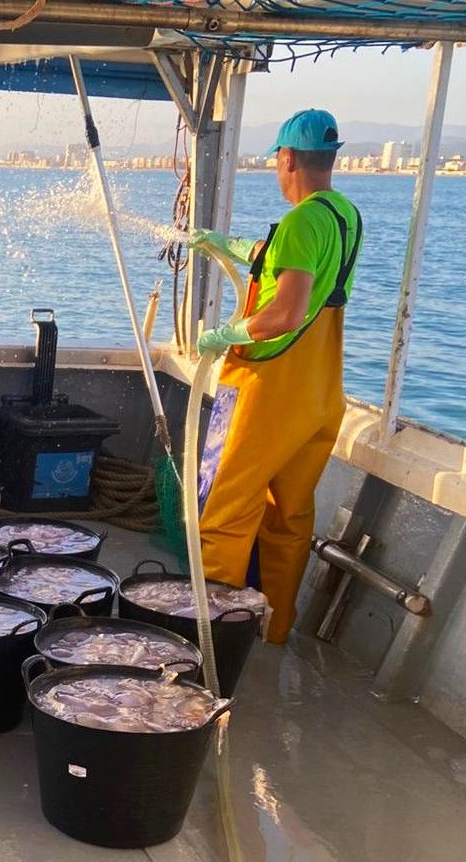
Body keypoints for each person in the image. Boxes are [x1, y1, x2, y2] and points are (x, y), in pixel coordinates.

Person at [190, 109, 362, 644]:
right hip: (319, 391)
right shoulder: (343, 214)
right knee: (288, 517)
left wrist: (225, 334)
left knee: (223, 510)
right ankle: (273, 630)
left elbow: (284, 314)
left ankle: (205, 641)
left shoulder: (300, 220)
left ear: (287, 158)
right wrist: (234, 247)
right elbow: (301, 272)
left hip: (269, 387)